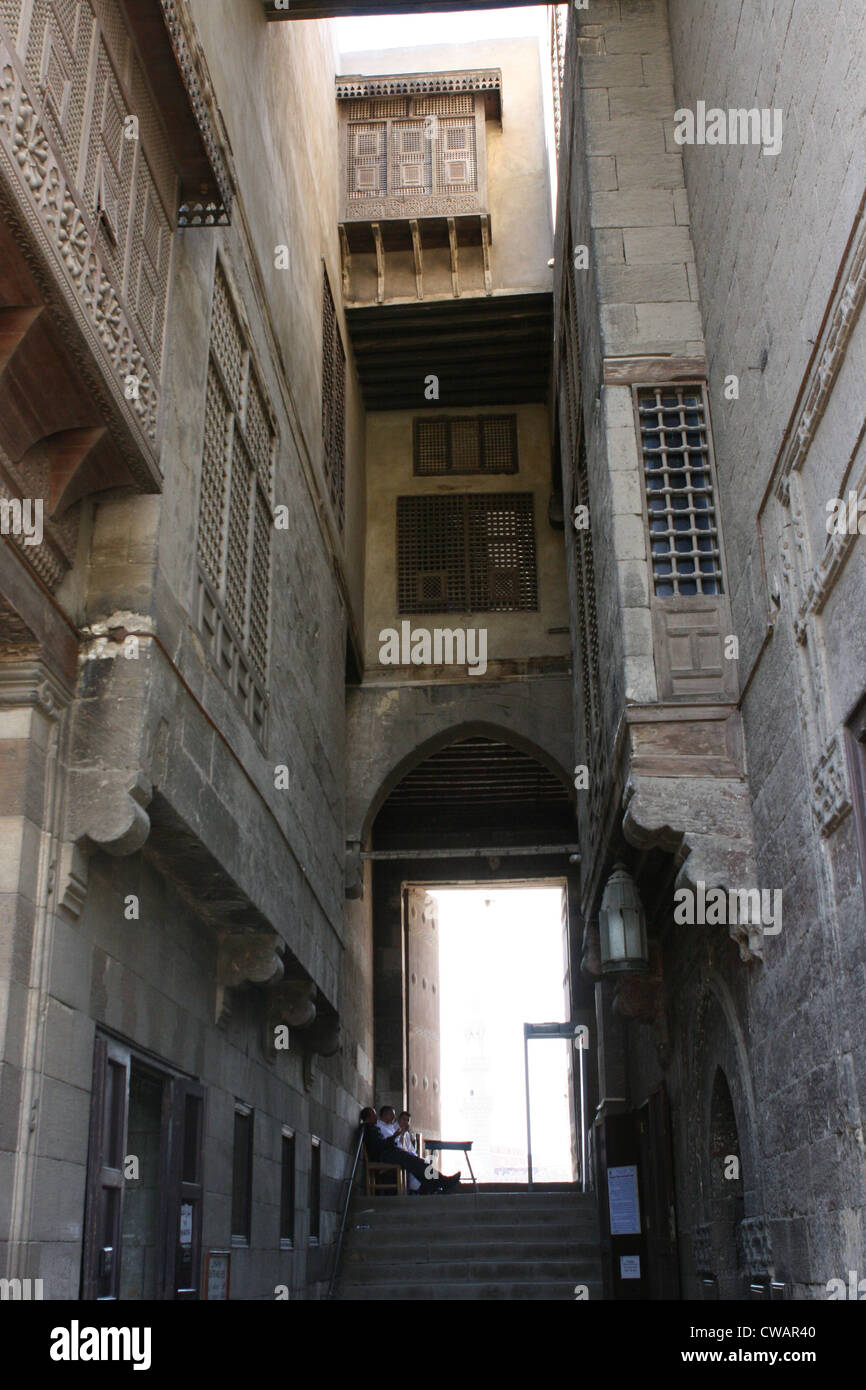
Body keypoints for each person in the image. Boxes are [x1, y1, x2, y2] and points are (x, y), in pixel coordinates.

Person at [359, 1108, 459, 1194]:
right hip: (384, 1156)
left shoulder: (372, 1128)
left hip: (389, 1153)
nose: (376, 1116)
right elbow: (378, 1147)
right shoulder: (368, 1129)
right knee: (415, 1162)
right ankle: (442, 1182)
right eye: (374, 1114)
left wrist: (394, 1138)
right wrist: (394, 1137)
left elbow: (383, 1144)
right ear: (368, 1117)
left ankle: (437, 1184)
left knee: (417, 1162)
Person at [395, 1110, 420, 1193]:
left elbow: (411, 1150)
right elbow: (398, 1147)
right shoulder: (394, 1129)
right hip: (399, 1157)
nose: (405, 1122)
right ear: (398, 1120)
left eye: (407, 1120)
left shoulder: (407, 1134)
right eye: (404, 1119)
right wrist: (401, 1134)